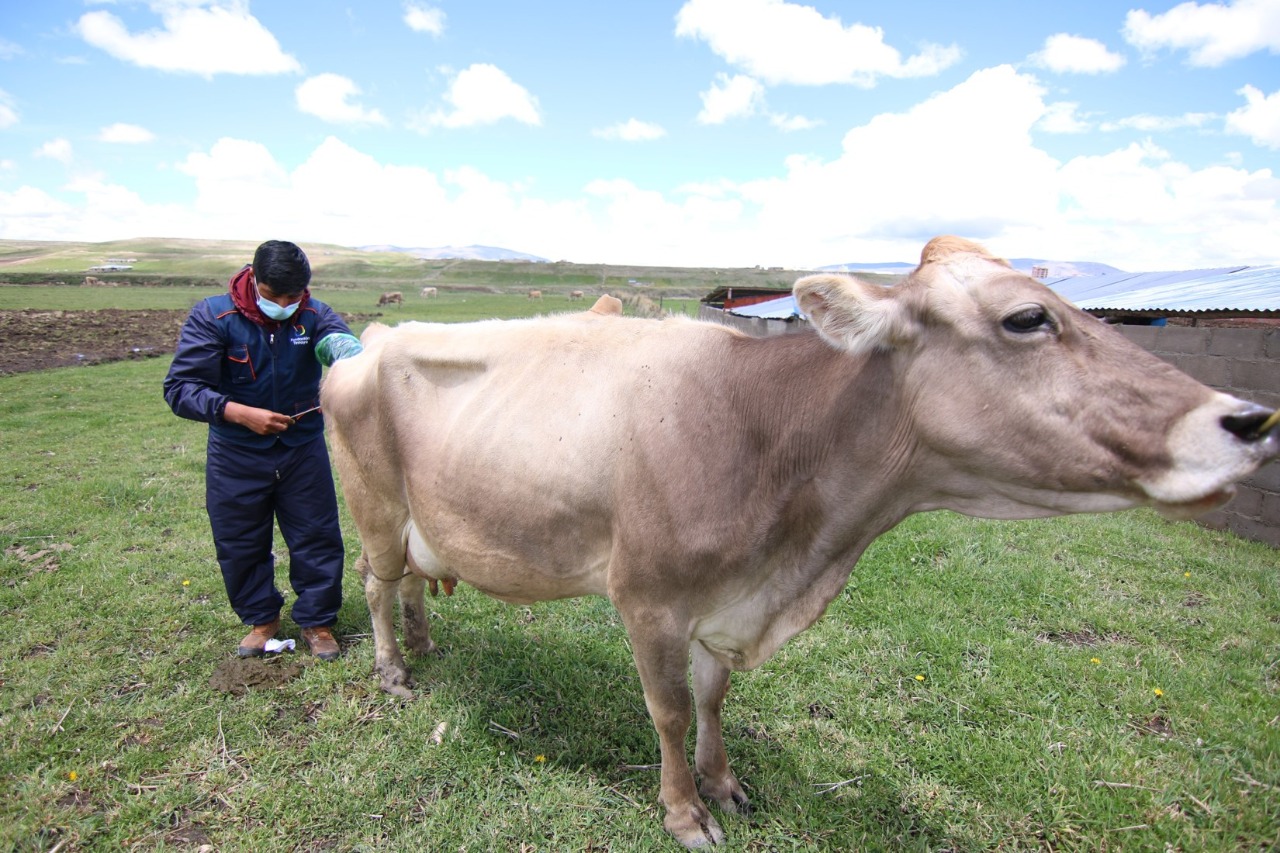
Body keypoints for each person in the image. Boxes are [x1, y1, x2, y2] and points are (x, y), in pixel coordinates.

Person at [163, 240, 364, 661]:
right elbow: (181, 389)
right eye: (276, 296)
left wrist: (348, 355)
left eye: (296, 296)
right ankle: (261, 620)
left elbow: (336, 343)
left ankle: (318, 621)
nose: (287, 305)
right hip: (236, 452)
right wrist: (236, 412)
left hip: (301, 448)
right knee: (239, 540)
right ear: (254, 280)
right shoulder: (215, 316)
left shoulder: (312, 314)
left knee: (317, 535)